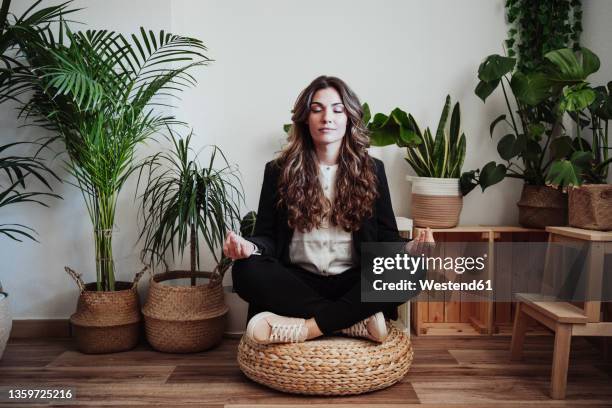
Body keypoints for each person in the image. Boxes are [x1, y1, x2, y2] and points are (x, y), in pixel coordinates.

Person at [223, 75, 434, 345]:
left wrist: (410, 249)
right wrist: (248, 247)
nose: (327, 117)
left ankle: (309, 327)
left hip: (353, 282)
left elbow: (386, 238)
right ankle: (350, 322)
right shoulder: (278, 171)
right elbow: (267, 236)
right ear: (304, 119)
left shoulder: (372, 170)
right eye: (317, 109)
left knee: (411, 270)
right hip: (296, 283)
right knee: (245, 271)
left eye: (337, 109)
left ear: (349, 118)